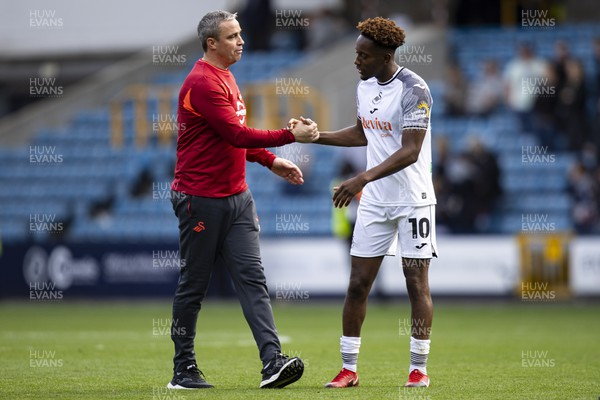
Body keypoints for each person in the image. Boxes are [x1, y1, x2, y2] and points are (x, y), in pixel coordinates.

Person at [168, 10, 318, 390]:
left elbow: (231, 139)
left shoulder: (227, 76)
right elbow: (236, 134)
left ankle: (271, 363)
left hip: (237, 198)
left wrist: (270, 161)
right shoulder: (201, 82)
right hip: (199, 200)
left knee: (253, 279)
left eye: (240, 34)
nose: (241, 41)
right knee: (194, 285)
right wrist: (288, 136)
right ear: (211, 44)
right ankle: (182, 369)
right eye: (232, 36)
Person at [302, 16, 437, 388]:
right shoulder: (364, 88)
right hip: (376, 201)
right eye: (356, 53)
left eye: (363, 55)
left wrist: (361, 177)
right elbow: (363, 134)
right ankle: (348, 370)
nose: (356, 61)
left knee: (416, 283)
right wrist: (317, 137)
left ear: (384, 55)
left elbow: (410, 151)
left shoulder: (415, 89)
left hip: (413, 200)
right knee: (358, 284)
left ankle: (418, 370)